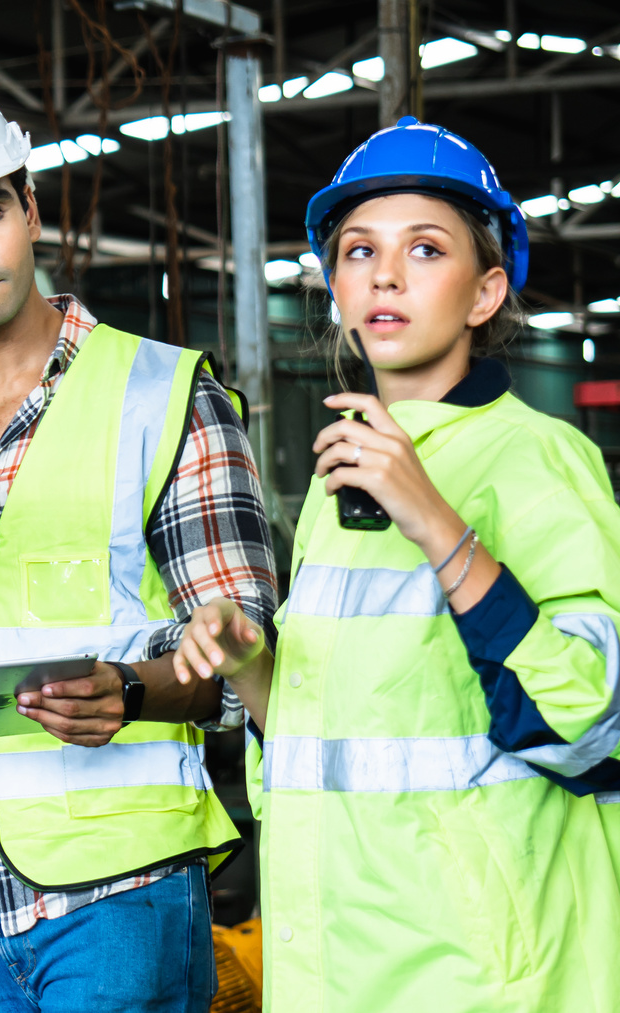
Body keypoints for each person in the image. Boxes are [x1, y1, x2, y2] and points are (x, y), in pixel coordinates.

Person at [0, 75, 278, 1013]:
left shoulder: (163, 393)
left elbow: (245, 652)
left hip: (121, 896)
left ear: (31, 209)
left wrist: (130, 689)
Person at [175, 117, 620, 1011]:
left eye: (424, 248)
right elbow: (326, 745)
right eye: (357, 251)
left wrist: (436, 522)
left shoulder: (542, 458)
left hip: (480, 973)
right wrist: (249, 660)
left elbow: (587, 726)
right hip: (341, 961)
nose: (383, 273)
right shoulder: (352, 470)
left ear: (487, 290)